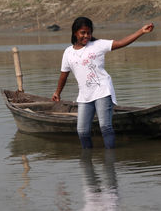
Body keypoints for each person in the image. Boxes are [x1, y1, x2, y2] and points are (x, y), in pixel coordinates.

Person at [52, 17, 154, 149]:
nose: (86, 36)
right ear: (75, 33)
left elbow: (121, 43)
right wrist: (57, 92)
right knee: (82, 131)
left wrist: (141, 31)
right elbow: (63, 75)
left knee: (105, 127)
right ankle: (88, 160)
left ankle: (110, 163)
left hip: (102, 91)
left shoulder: (98, 45)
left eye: (89, 33)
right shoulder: (68, 53)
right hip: (85, 96)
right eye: (83, 33)